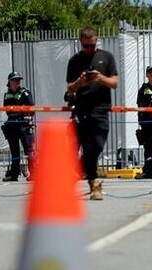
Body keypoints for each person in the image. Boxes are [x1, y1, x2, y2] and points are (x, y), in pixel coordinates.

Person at [66, 26, 118, 200]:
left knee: (97, 145)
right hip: (82, 108)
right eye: (86, 46)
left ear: (97, 41)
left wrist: (99, 78)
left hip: (101, 108)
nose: (89, 49)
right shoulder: (75, 61)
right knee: (87, 146)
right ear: (80, 42)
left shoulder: (106, 57)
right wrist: (80, 82)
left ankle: (79, 168)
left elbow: (114, 83)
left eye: (92, 45)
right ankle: (94, 183)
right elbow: (70, 88)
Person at [1, 72, 35, 182]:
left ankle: (34, 173)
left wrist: (24, 114)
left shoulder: (24, 93)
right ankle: (13, 174)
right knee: (14, 151)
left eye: (18, 80)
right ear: (10, 81)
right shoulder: (7, 94)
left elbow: (32, 108)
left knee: (29, 150)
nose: (17, 82)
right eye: (15, 80)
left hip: (23, 123)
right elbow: (6, 109)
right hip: (12, 123)